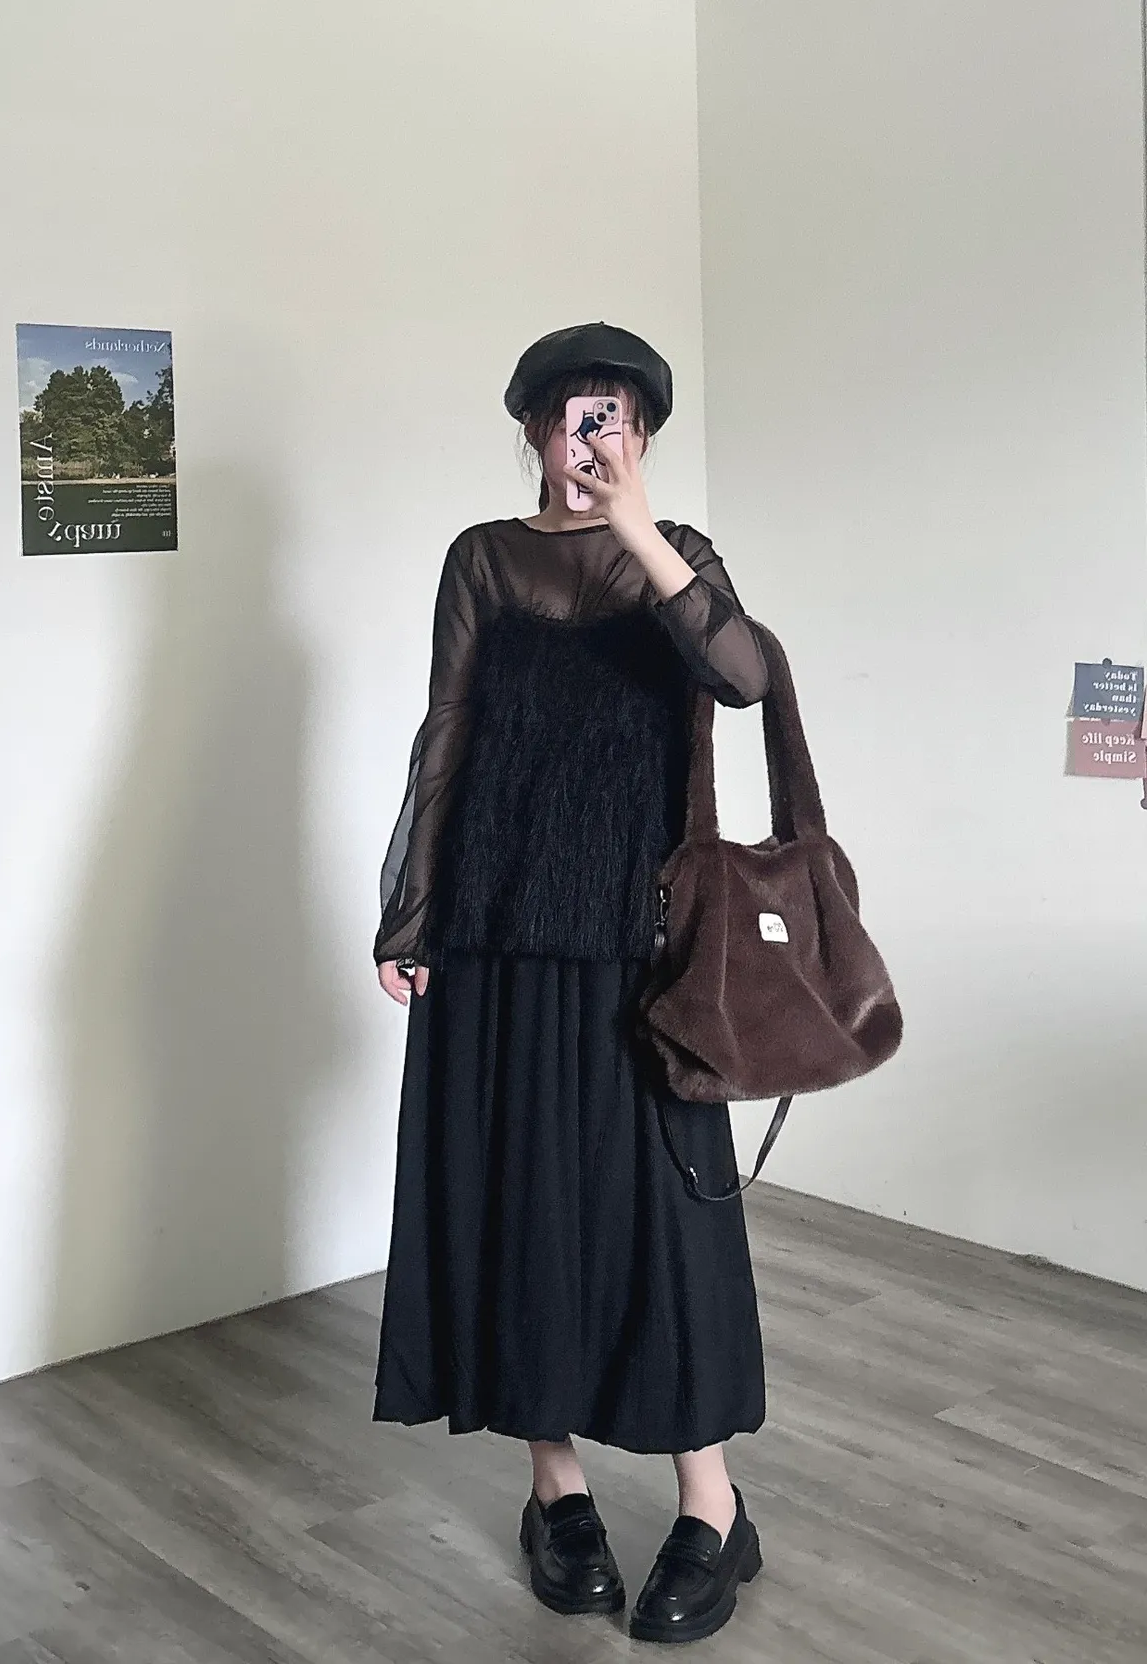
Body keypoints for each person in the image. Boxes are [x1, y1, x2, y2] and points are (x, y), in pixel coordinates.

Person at [371, 322, 770, 1645]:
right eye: (572, 415)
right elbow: (447, 733)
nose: (593, 438)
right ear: (534, 430)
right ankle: (559, 1492)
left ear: (644, 436)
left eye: (617, 417)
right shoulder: (482, 558)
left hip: (640, 944)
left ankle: (713, 1506)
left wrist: (642, 533)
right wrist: (410, 916)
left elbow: (744, 676)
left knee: (668, 1224)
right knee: (518, 1206)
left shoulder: (680, 556)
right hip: (494, 933)